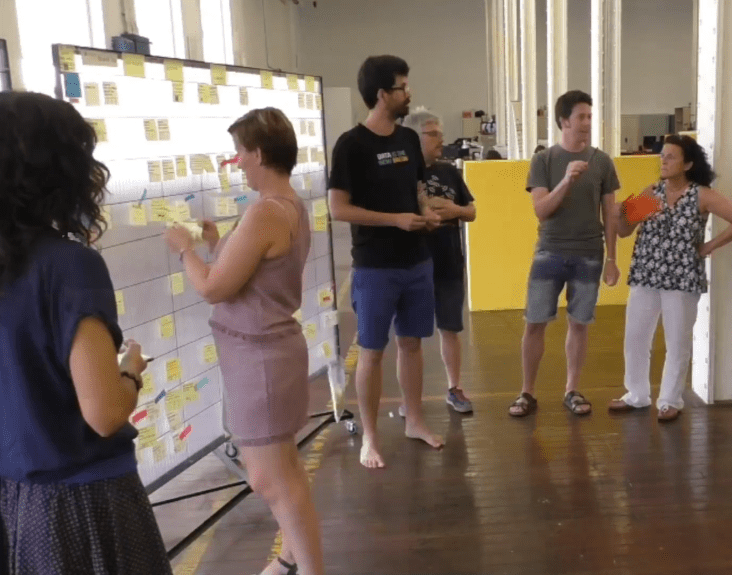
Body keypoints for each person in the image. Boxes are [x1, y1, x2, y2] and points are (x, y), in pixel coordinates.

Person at [0, 92, 172, 574]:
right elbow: (104, 413)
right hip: (85, 504)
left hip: (16, 498)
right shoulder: (69, 266)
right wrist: (130, 371)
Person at [165, 108, 323, 575]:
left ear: (258, 153)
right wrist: (217, 246)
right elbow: (254, 274)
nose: (237, 163)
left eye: (239, 153)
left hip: (261, 359)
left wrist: (185, 250)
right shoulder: (288, 205)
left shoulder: (265, 212)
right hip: (266, 353)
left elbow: (213, 288)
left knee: (269, 479)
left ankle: (310, 568)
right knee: (283, 470)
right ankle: (291, 557)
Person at [328, 55, 444, 470]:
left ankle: (414, 420)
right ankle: (371, 438)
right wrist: (394, 220)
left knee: (412, 344)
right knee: (372, 350)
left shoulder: (409, 139)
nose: (408, 93)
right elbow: (338, 209)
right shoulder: (351, 145)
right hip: (375, 266)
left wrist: (426, 212)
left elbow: (418, 191)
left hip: (417, 261)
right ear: (382, 94)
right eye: (402, 87)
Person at [608, 135, 732, 421]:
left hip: (682, 277)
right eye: (663, 156)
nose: (663, 161)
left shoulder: (702, 195)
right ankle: (636, 394)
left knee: (677, 341)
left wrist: (709, 246)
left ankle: (670, 400)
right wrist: (622, 210)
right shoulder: (652, 193)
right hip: (646, 273)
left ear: (687, 164)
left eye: (671, 157)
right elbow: (624, 231)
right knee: (635, 337)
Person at [509, 89, 621, 418]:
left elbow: (610, 213)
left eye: (590, 116)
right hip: (549, 252)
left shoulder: (602, 162)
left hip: (589, 254)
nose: (587, 122)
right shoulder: (544, 161)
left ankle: (572, 389)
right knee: (535, 323)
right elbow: (541, 210)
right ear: (564, 121)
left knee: (579, 324)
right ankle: (527, 392)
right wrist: (567, 180)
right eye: (581, 116)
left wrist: (612, 259)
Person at [403, 107, 477, 414]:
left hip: (448, 262)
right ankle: (411, 399)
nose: (440, 140)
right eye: (433, 134)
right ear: (414, 137)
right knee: (410, 336)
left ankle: (454, 388)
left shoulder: (449, 172)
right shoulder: (402, 174)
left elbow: (471, 211)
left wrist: (454, 210)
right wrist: (425, 210)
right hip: (413, 264)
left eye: (441, 134)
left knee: (450, 328)